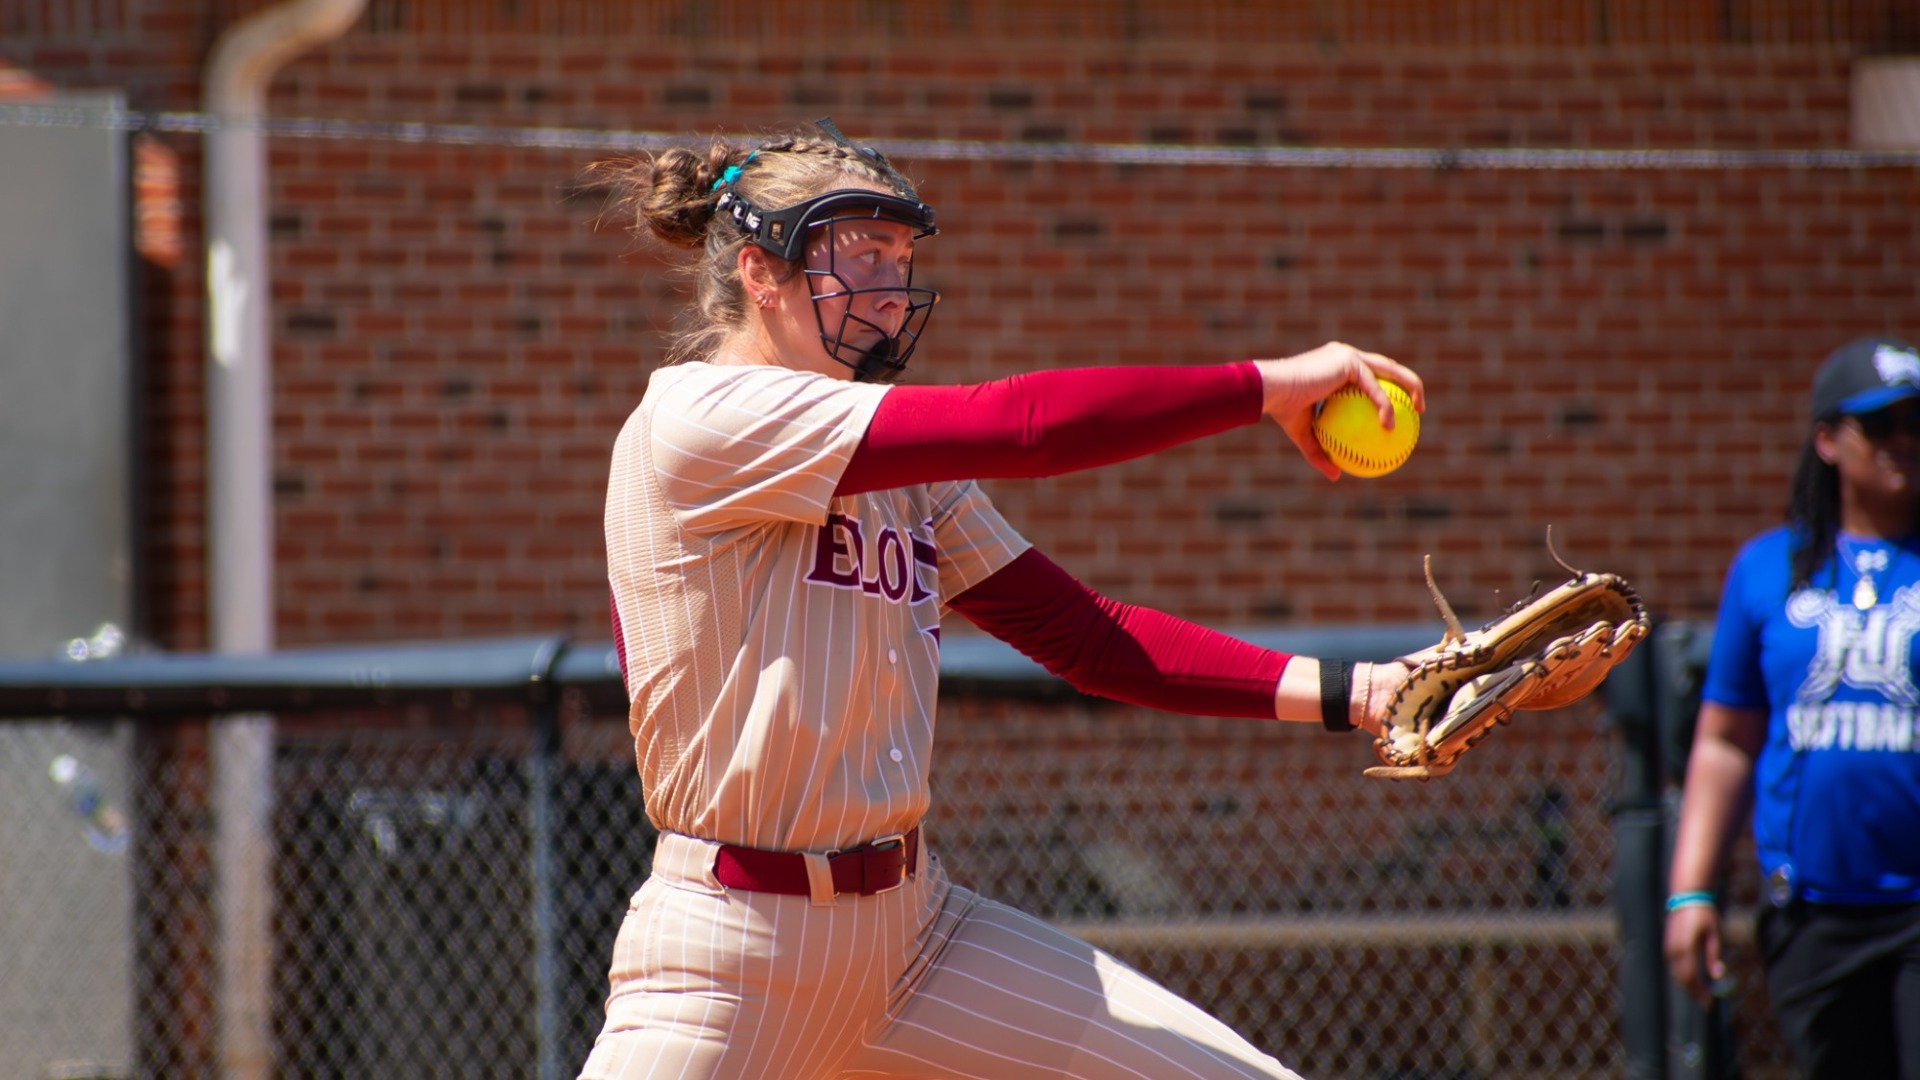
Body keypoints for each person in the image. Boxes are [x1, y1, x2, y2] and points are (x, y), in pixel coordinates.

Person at [579, 118, 1425, 1080]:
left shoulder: (903, 471)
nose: (890, 293)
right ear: (758, 274)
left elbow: (1086, 640)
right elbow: (1023, 428)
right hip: (731, 959)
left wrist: (1361, 693)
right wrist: (1267, 387)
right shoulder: (700, 418)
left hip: (915, 941)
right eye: (860, 257)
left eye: (900, 260)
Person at [1665, 336, 1920, 1080]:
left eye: (1917, 424)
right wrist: (1691, 889)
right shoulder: (1766, 568)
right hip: (1811, 913)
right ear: (1829, 440)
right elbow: (1726, 742)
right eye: (1882, 425)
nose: (1904, 442)